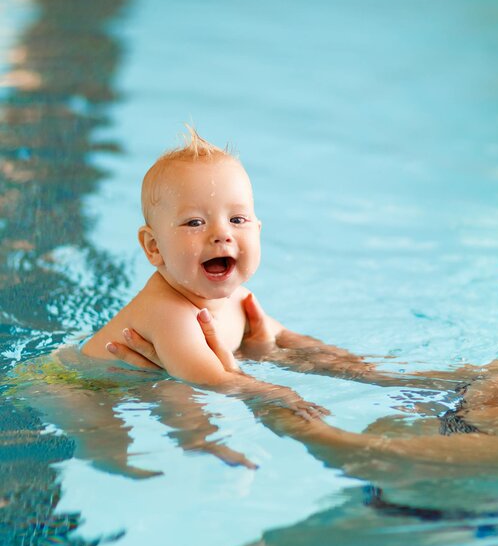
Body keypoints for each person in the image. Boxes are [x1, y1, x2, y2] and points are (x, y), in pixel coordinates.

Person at [109, 151, 498, 474]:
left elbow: (360, 453)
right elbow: (394, 381)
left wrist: (248, 390)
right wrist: (283, 352)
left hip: (409, 525)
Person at [81, 126, 325, 418]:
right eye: (195, 223)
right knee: (108, 441)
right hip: (77, 390)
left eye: (237, 219)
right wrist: (281, 394)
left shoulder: (239, 299)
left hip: (133, 387)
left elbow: (289, 340)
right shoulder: (168, 313)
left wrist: (370, 373)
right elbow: (213, 380)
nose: (222, 233)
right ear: (154, 246)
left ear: (258, 230)